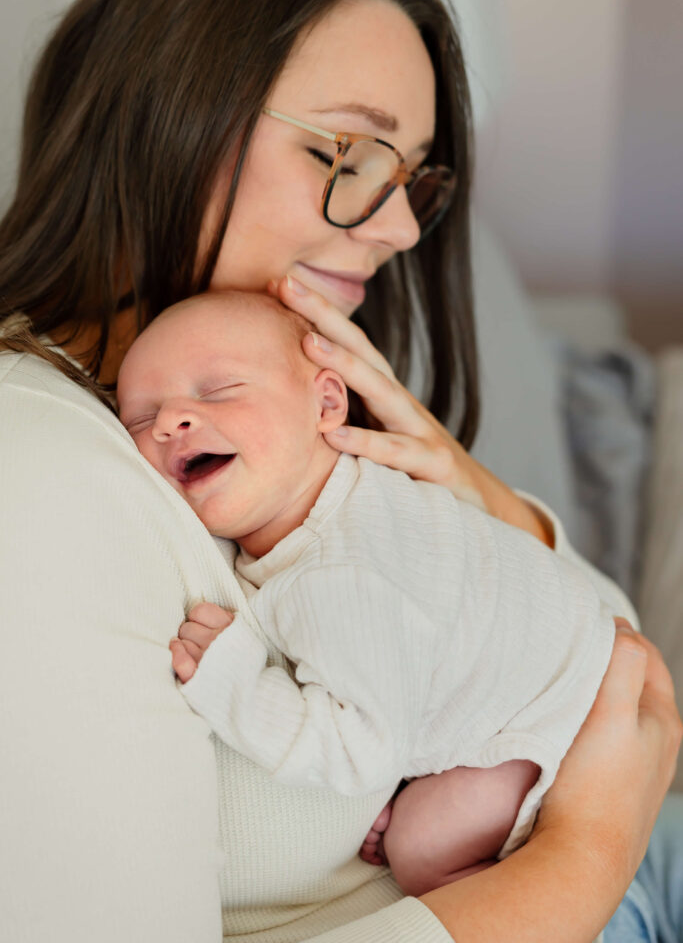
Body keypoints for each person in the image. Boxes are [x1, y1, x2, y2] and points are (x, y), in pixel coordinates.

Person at [0, 0, 680, 941]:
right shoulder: (42, 476)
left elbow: (617, 677)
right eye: (349, 151)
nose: (401, 227)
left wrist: (474, 494)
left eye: (409, 176)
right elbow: (622, 748)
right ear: (166, 109)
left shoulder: (296, 397)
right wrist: (585, 851)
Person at [117, 287, 634, 895]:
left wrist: (235, 682)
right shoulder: (358, 496)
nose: (172, 421)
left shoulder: (339, 572)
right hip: (575, 662)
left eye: (220, 390)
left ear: (327, 402)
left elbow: (359, 755)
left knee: (419, 847)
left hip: (558, 713)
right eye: (141, 421)